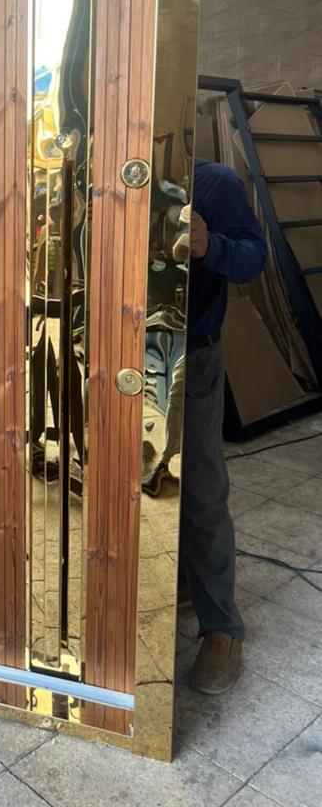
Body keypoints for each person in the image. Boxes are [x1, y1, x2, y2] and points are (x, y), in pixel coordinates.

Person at [148, 157, 267, 695]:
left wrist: (208, 245)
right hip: (115, 357)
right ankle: (176, 582)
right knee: (142, 483)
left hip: (190, 357)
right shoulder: (94, 169)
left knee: (199, 488)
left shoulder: (213, 182)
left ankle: (222, 628)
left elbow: (252, 259)